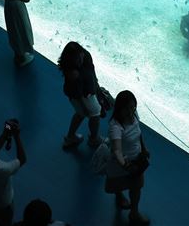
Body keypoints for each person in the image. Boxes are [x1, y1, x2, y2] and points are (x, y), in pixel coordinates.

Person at [105, 90, 150, 225]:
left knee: (136, 186)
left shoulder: (134, 115)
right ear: (119, 108)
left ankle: (134, 212)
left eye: (133, 107)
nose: (130, 111)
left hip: (136, 161)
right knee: (118, 184)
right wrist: (124, 164)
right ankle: (119, 197)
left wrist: (144, 148)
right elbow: (117, 150)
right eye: (127, 108)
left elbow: (138, 132)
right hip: (121, 163)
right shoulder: (116, 126)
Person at [57, 41, 102, 149]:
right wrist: (83, 104)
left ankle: (70, 137)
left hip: (83, 92)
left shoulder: (84, 55)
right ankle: (94, 139)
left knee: (80, 113)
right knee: (95, 114)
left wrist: (97, 88)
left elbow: (92, 71)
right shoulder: (72, 72)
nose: (80, 60)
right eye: (77, 59)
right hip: (82, 95)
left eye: (80, 56)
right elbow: (77, 92)